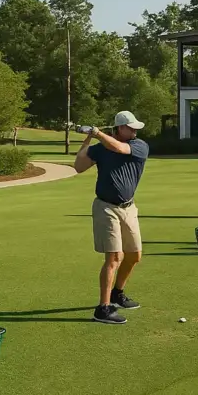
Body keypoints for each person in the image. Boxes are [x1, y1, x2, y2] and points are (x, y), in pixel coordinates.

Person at [73, 110, 150, 325]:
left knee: (134, 255)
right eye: (130, 127)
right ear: (119, 128)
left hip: (129, 208)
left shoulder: (139, 146)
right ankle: (103, 308)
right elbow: (78, 167)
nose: (135, 130)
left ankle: (118, 293)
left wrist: (96, 132)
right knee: (114, 257)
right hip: (106, 207)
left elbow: (119, 148)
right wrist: (88, 138)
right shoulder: (100, 149)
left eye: (135, 127)